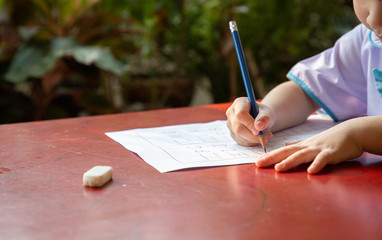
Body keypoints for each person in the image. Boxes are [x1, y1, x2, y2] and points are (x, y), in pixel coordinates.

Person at [226, 0, 382, 174]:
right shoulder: (366, 40)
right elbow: (306, 92)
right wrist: (267, 114)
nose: (375, 19)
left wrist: (358, 133)